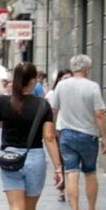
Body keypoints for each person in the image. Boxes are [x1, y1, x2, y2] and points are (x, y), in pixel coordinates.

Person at [0, 62, 63, 210]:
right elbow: (49, 137)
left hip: (10, 159)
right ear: (33, 81)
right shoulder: (43, 106)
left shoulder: (5, 102)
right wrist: (58, 167)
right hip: (33, 157)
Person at [49, 54, 106, 210]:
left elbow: (53, 110)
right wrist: (104, 136)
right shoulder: (92, 87)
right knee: (90, 172)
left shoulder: (61, 85)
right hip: (88, 135)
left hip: (66, 134)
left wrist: (53, 129)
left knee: (71, 172)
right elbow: (99, 113)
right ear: (86, 69)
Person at [46, 69, 73, 202]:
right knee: (61, 161)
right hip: (58, 129)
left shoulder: (75, 93)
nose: (67, 81)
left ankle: (69, 187)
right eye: (64, 78)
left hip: (71, 129)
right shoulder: (53, 94)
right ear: (59, 80)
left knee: (70, 162)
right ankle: (61, 189)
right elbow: (51, 112)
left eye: (69, 78)